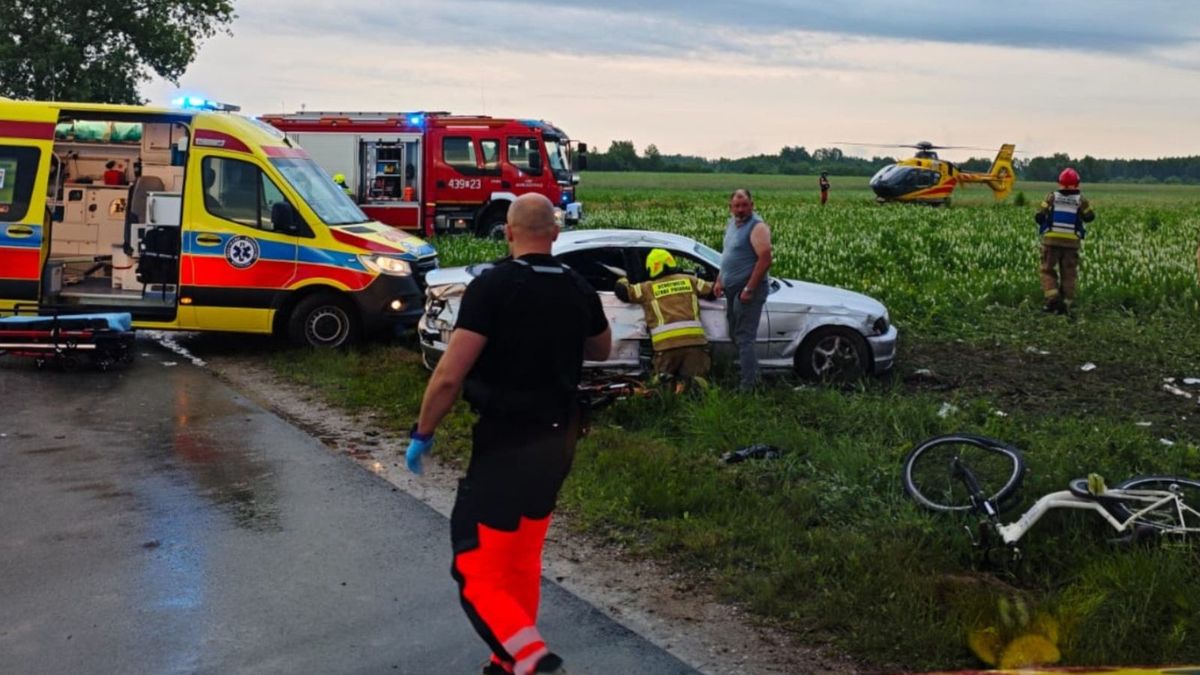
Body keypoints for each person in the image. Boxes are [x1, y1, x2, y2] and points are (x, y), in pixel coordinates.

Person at [405, 193, 611, 675]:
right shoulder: (576, 286)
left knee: (474, 566)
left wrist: (423, 431)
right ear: (555, 234)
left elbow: (450, 374)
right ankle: (506, 659)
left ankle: (530, 657)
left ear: (510, 232)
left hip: (505, 443)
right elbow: (602, 348)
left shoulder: (493, 287)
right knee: (519, 559)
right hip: (558, 441)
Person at [615, 248, 716, 392]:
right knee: (698, 381)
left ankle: (665, 399)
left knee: (662, 383)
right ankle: (696, 401)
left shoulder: (647, 288)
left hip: (666, 347)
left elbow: (623, 292)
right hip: (695, 344)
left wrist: (623, 279)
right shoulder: (689, 280)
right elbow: (713, 291)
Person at [714, 188, 773, 390]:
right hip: (731, 289)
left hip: (747, 291)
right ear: (730, 207)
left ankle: (749, 386)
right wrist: (720, 280)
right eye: (737, 206)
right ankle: (752, 375)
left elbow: (765, 259)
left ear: (752, 205)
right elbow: (727, 255)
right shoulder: (732, 225)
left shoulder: (757, 227)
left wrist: (749, 288)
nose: (741, 209)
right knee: (736, 334)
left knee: (744, 337)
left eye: (745, 205)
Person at [1035, 167, 1095, 314]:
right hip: (1071, 243)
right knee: (1069, 273)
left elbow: (1039, 216)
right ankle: (1066, 304)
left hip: (1051, 241)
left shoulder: (1051, 197)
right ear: (1077, 184)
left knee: (1047, 270)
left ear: (1059, 183)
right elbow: (1090, 217)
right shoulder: (1081, 200)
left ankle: (1053, 298)